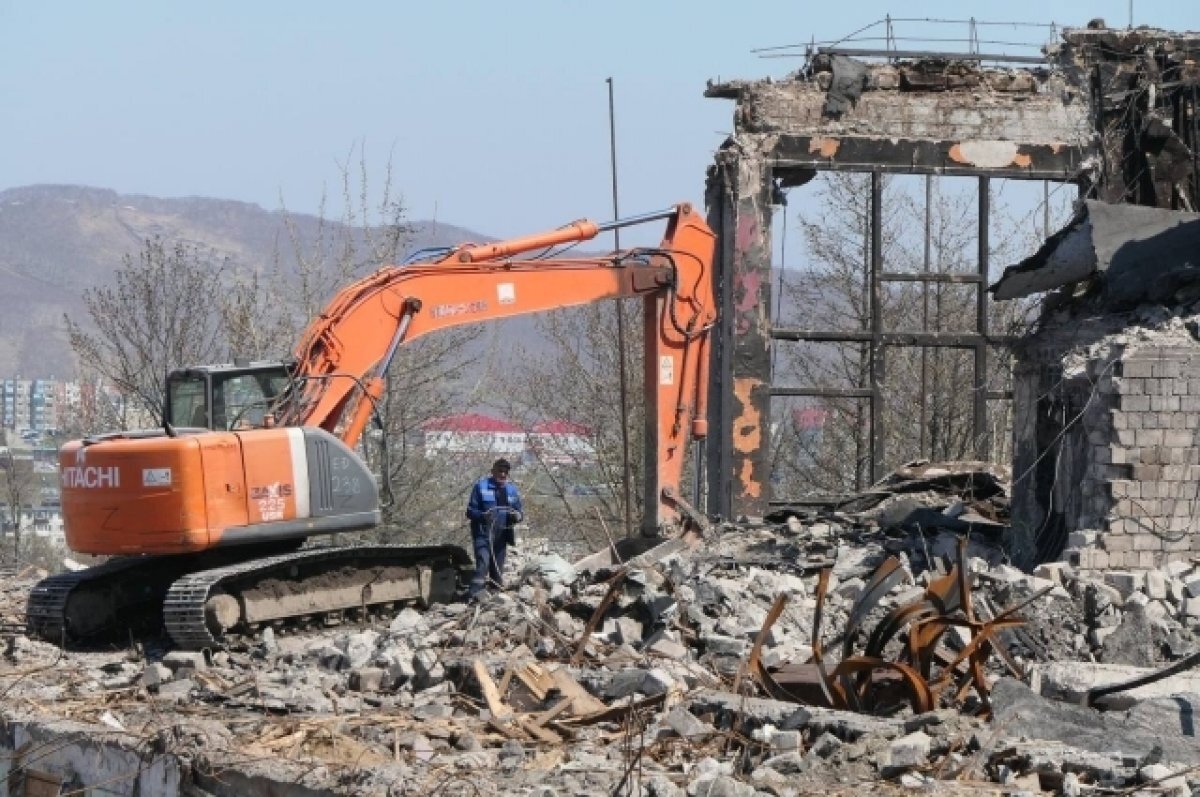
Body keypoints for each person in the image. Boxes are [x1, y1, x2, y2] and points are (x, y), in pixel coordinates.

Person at [465, 458, 524, 600]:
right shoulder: (481, 487)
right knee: (483, 564)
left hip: (502, 536)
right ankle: (473, 595)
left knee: (497, 570)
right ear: (493, 471)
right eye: (500, 471)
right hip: (483, 535)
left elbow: (520, 512)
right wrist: (482, 515)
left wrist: (517, 516)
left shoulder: (512, 490)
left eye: (505, 472)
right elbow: (470, 511)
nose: (502, 474)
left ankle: (495, 596)